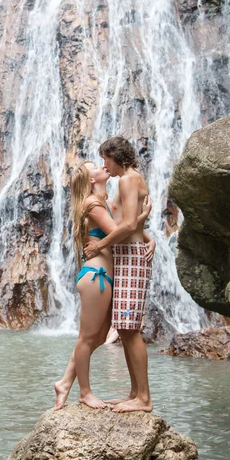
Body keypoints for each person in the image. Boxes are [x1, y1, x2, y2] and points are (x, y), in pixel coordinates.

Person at [54, 159, 154, 410]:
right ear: (91, 180)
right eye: (96, 167)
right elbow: (120, 231)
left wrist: (149, 239)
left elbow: (124, 229)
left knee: (98, 336)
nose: (103, 167)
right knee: (87, 337)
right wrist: (143, 216)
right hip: (95, 275)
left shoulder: (104, 204)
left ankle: (65, 382)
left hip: (105, 278)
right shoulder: (92, 204)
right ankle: (84, 392)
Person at [84, 136, 155, 413]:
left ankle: (144, 399)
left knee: (129, 328)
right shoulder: (127, 179)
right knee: (125, 330)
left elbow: (125, 226)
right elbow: (123, 218)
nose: (105, 166)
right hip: (128, 254)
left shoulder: (127, 180)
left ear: (116, 157)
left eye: (106, 160)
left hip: (131, 256)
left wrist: (99, 245)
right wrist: (148, 234)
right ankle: (135, 392)